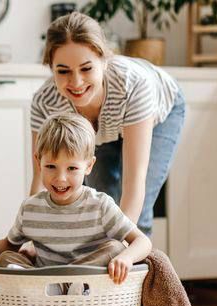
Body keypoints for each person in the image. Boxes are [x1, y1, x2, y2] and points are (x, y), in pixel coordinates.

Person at [30, 11, 186, 237]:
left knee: (136, 216)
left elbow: (134, 183)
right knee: (100, 206)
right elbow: (40, 178)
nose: (76, 82)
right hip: (103, 130)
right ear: (51, 68)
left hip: (160, 113)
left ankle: (138, 258)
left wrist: (120, 245)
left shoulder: (134, 85)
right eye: (63, 71)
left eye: (86, 68)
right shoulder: (45, 103)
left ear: (104, 61)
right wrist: (32, 235)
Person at [0, 113, 152, 290]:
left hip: (86, 285)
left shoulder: (101, 205)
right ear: (38, 162)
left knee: (116, 248)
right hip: (45, 281)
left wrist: (126, 258)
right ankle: (48, 288)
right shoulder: (30, 208)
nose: (60, 178)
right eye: (51, 166)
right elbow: (10, 244)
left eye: (72, 168)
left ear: (89, 166)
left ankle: (67, 286)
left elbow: (142, 241)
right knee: (5, 258)